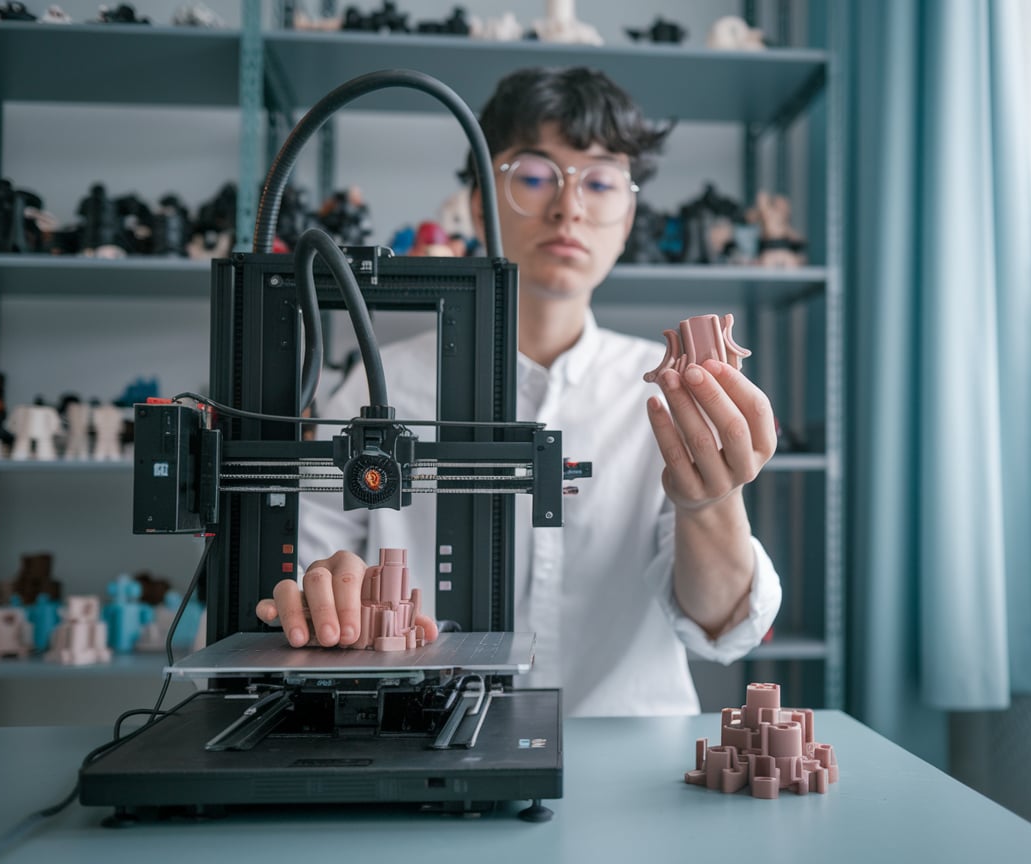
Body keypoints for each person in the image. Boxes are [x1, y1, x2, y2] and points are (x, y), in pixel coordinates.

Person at [257, 66, 782, 717]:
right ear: (479, 201)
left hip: (629, 768)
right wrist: (321, 594)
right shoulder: (374, 388)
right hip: (431, 753)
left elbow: (722, 627)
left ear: (629, 214)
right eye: (534, 176)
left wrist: (712, 503)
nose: (570, 207)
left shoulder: (669, 396)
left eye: (601, 181)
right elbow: (297, 576)